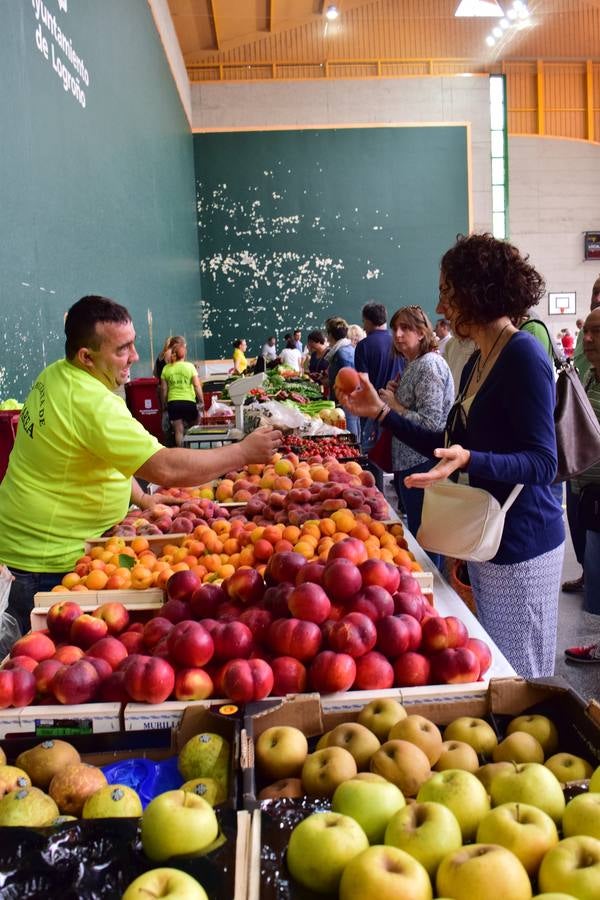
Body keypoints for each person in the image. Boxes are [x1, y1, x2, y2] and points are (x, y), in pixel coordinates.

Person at [338, 233, 564, 679]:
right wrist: (382, 413)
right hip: (486, 536)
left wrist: (471, 460)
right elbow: (448, 440)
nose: (442, 307)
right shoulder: (482, 356)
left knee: (520, 677)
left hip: (521, 543)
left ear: (475, 291)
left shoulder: (523, 355)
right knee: (495, 667)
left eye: (447, 292)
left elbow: (544, 462)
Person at [0, 296, 281, 637]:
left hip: (22, 545)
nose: (135, 356)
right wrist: (242, 453)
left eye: (133, 344)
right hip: (47, 562)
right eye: (122, 349)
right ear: (86, 357)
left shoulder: (56, 374)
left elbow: (103, 457)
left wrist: (144, 500)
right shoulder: (93, 403)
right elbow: (165, 469)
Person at [378, 306, 453, 568]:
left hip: (423, 463)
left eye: (406, 328)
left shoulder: (429, 366)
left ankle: (434, 592)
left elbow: (431, 424)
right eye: (395, 328)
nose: (398, 335)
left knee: (427, 539)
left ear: (422, 332)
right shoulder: (414, 364)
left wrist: (394, 408)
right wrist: (395, 397)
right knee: (420, 532)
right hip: (410, 462)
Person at [564, 306, 600, 662]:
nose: (587, 339)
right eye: (586, 331)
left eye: (597, 331)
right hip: (588, 496)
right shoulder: (588, 376)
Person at [354, 302, 404, 463]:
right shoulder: (398, 342)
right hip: (395, 404)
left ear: (368, 321)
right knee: (392, 447)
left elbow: (362, 381)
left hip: (372, 406)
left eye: (364, 322)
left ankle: (375, 485)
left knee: (372, 451)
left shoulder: (363, 346)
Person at [160, 337, 204, 447]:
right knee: (194, 423)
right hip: (189, 402)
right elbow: (197, 385)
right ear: (184, 355)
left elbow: (163, 389)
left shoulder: (166, 368)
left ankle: (181, 452)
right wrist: (202, 400)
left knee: (178, 430)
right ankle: (192, 446)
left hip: (173, 403)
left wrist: (163, 403)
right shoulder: (190, 367)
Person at [325, 317, 360, 441]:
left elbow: (350, 381)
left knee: (350, 438)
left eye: (327, 333)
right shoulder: (344, 349)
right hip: (345, 404)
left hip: (346, 405)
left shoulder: (342, 353)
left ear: (331, 335)